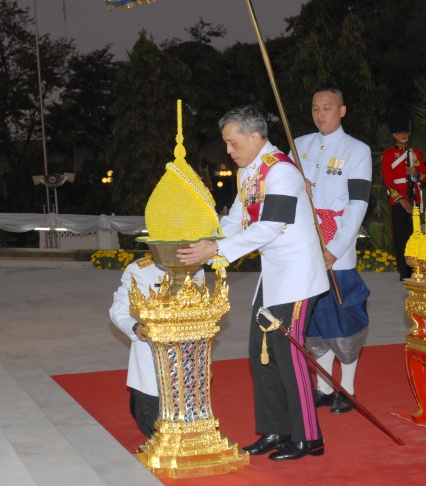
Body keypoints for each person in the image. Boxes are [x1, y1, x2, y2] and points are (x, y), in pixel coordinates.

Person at [177, 105, 329, 461]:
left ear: (255, 136)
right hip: (272, 276)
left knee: (289, 357)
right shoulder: (249, 171)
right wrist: (208, 237)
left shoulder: (282, 172)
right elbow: (237, 218)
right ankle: (276, 430)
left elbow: (269, 227)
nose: (228, 151)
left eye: (233, 142)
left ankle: (309, 437)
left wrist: (218, 248)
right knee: (260, 356)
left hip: (296, 277)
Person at [292, 86, 372, 415]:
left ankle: (347, 387)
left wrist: (336, 248)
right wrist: (299, 187)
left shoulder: (357, 150)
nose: (320, 113)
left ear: (342, 110)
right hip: (305, 242)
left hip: (336, 241)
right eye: (315, 108)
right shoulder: (299, 147)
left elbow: (358, 203)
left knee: (342, 316)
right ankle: (323, 386)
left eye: (327, 107)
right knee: (313, 319)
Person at [109, 256, 204, 437]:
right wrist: (135, 327)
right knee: (153, 427)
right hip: (153, 359)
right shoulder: (140, 269)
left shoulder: (196, 267)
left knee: (188, 429)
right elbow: (119, 310)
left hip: (188, 359)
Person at [381, 103, 426, 280]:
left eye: (405, 132)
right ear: (394, 134)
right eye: (400, 132)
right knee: (401, 236)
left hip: (415, 197)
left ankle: (415, 267)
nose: (404, 135)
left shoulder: (416, 153)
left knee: (415, 234)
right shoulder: (388, 155)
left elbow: (424, 178)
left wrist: (416, 173)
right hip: (399, 200)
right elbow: (388, 181)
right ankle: (404, 269)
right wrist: (402, 200)